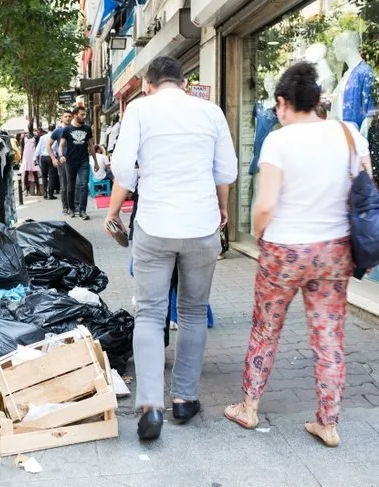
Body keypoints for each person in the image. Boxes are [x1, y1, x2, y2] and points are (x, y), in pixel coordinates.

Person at [223, 63, 374, 447]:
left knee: (265, 328)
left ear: (283, 102)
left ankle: (249, 406)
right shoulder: (349, 134)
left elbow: (265, 204)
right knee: (329, 337)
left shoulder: (280, 140)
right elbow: (366, 191)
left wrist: (259, 234)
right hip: (335, 250)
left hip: (284, 250)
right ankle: (328, 422)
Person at [105, 56, 237, 441]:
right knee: (194, 312)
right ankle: (183, 398)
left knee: (149, 312)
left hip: (155, 224)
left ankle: (150, 405)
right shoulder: (210, 112)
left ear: (148, 84)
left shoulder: (140, 110)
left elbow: (124, 170)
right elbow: (224, 171)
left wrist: (113, 212)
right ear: (182, 81)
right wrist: (222, 208)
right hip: (200, 225)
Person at [59, 106, 98, 220]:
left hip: (84, 161)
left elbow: (91, 146)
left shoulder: (87, 128)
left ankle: (82, 210)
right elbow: (61, 146)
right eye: (82, 114)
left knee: (83, 185)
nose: (84, 116)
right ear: (75, 115)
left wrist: (95, 162)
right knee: (70, 187)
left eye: (84, 114)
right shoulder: (67, 129)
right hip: (70, 162)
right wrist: (61, 156)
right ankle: (71, 209)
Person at [48, 111, 73, 215]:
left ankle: (74, 206)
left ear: (72, 117)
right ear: (62, 118)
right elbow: (48, 145)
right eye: (65, 116)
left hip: (74, 161)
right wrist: (53, 158)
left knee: (75, 185)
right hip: (62, 161)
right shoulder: (57, 131)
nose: (67, 118)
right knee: (64, 185)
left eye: (69, 116)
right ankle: (65, 207)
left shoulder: (76, 129)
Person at [36, 124, 58, 199]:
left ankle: (45, 193)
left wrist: (35, 158)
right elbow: (57, 148)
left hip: (43, 158)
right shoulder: (55, 136)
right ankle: (50, 194)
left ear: (48, 129)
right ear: (54, 129)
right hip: (52, 157)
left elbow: (38, 147)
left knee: (44, 176)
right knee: (52, 176)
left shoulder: (42, 137)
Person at [21, 128, 40, 196]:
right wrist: (21, 158)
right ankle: (26, 189)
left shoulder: (36, 137)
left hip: (33, 156)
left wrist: (38, 157)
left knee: (35, 173)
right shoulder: (24, 138)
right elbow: (22, 148)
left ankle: (38, 189)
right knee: (26, 173)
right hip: (26, 157)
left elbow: (37, 147)